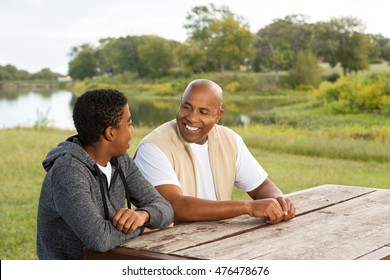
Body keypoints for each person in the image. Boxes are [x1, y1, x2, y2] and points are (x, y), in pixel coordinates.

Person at [37, 89, 173, 260]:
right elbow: (100, 239)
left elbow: (165, 207)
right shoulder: (67, 172)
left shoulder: (121, 161)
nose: (132, 130)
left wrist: (143, 215)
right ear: (110, 133)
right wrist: (145, 229)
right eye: (129, 124)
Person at [134, 79, 295, 223]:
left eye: (203, 112)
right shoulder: (153, 147)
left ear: (218, 115)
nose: (191, 117)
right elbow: (175, 207)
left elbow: (261, 187)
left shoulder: (229, 140)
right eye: (186, 107)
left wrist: (279, 202)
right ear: (180, 103)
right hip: (162, 248)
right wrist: (248, 207)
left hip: (214, 242)